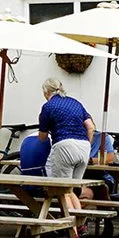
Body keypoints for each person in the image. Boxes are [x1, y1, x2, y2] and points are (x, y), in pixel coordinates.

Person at [37, 79, 93, 212]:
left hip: (64, 146)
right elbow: (90, 127)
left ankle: (72, 228)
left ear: (46, 92)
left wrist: (48, 127)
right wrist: (88, 145)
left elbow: (42, 137)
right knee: (70, 190)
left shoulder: (48, 106)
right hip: (84, 147)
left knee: (63, 191)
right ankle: (79, 224)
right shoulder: (76, 103)